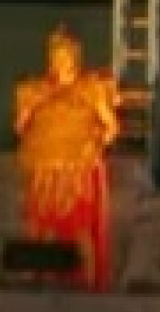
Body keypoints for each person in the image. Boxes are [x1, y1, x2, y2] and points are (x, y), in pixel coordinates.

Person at [13, 25, 120, 289]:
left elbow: (111, 128)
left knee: (79, 227)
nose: (59, 61)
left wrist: (90, 147)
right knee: (44, 228)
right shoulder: (34, 91)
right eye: (55, 55)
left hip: (78, 170)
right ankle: (43, 280)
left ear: (75, 56)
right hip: (45, 168)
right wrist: (30, 112)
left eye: (64, 55)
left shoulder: (92, 88)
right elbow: (20, 126)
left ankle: (88, 283)